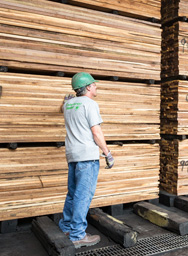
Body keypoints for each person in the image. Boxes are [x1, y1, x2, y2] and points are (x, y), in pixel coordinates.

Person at [58, 72, 115, 249]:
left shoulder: (68, 105)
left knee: (73, 193)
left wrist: (66, 100)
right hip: (87, 157)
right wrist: (107, 152)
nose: (96, 87)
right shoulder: (90, 104)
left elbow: (63, 107)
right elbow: (96, 132)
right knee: (83, 195)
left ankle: (67, 227)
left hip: (72, 155)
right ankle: (77, 235)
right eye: (94, 85)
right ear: (88, 87)